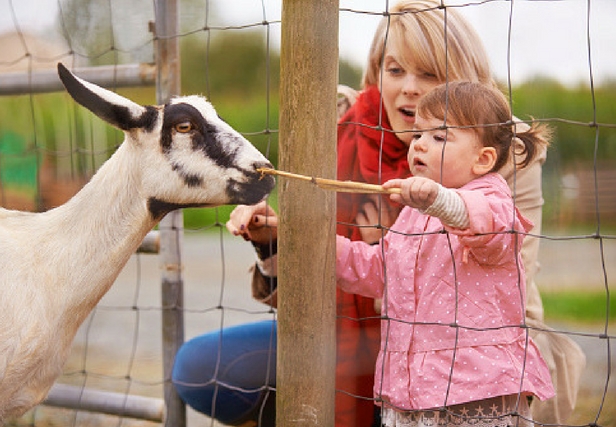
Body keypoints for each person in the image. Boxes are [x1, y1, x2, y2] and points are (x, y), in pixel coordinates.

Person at [172, 1, 584, 425]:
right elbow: (355, 271)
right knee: (202, 367)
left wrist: (434, 205)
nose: (409, 87)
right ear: (376, 72)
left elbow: (492, 243)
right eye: (395, 69)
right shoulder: (340, 130)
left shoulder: (498, 156)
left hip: (469, 351)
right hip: (359, 335)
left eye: (429, 73)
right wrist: (284, 237)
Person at [336, 80, 555, 426]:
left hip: (474, 392)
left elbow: (482, 225)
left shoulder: (494, 202)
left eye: (439, 137)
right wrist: (313, 242)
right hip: (412, 389)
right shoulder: (413, 212)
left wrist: (437, 200)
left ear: (483, 159)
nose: (420, 145)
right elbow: (381, 271)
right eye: (418, 134)